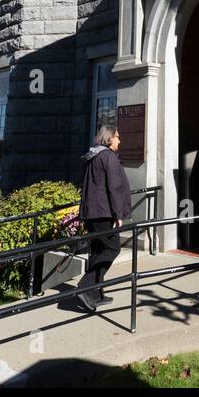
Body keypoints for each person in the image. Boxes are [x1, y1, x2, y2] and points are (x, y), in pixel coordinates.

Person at [76, 125, 131, 311]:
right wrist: (119, 214)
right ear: (109, 138)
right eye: (117, 137)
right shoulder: (108, 156)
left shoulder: (94, 156)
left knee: (99, 251)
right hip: (103, 213)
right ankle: (85, 286)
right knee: (113, 248)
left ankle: (95, 294)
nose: (119, 141)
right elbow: (114, 188)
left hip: (92, 213)